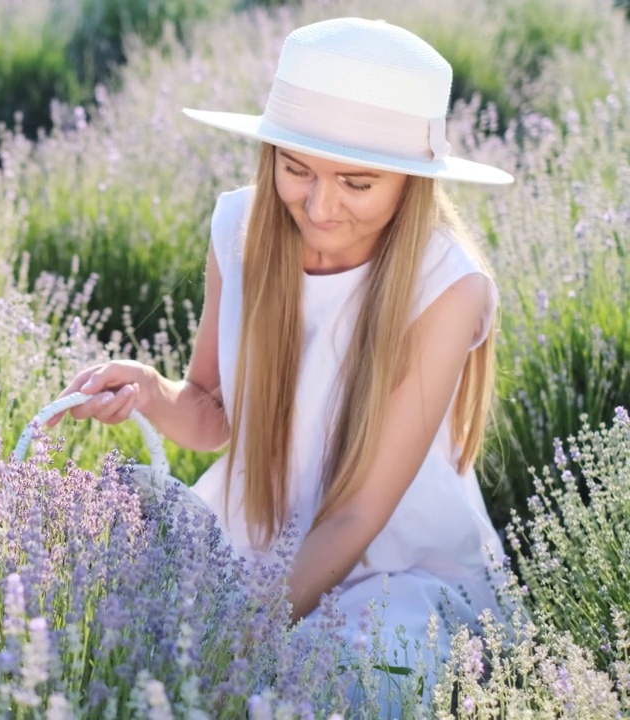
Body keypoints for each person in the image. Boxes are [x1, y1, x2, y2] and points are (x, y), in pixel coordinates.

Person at [48, 16, 515, 713]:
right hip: (260, 544)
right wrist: (150, 389)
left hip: (397, 572)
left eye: (358, 184)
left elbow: (359, 514)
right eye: (295, 169)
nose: (320, 207)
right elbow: (212, 414)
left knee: (324, 690)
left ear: (413, 183)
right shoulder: (239, 228)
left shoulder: (445, 285)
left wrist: (239, 635)